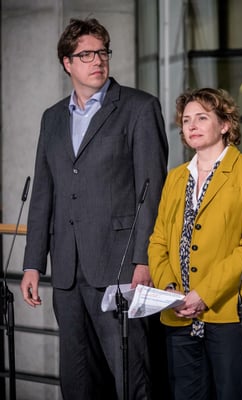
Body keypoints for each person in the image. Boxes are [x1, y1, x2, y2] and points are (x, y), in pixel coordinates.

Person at [19, 18, 169, 400]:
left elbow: (152, 192)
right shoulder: (52, 118)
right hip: (67, 271)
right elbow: (43, 195)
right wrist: (33, 263)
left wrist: (144, 260)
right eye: (86, 54)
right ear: (67, 63)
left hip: (120, 267)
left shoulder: (139, 108)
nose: (97, 61)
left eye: (102, 52)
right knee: (78, 379)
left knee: (130, 376)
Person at [148, 87, 242, 400]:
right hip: (178, 312)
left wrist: (204, 294)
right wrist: (168, 289)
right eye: (186, 120)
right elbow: (158, 240)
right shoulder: (175, 177)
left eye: (202, 118)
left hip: (231, 311)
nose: (191, 125)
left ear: (225, 124)